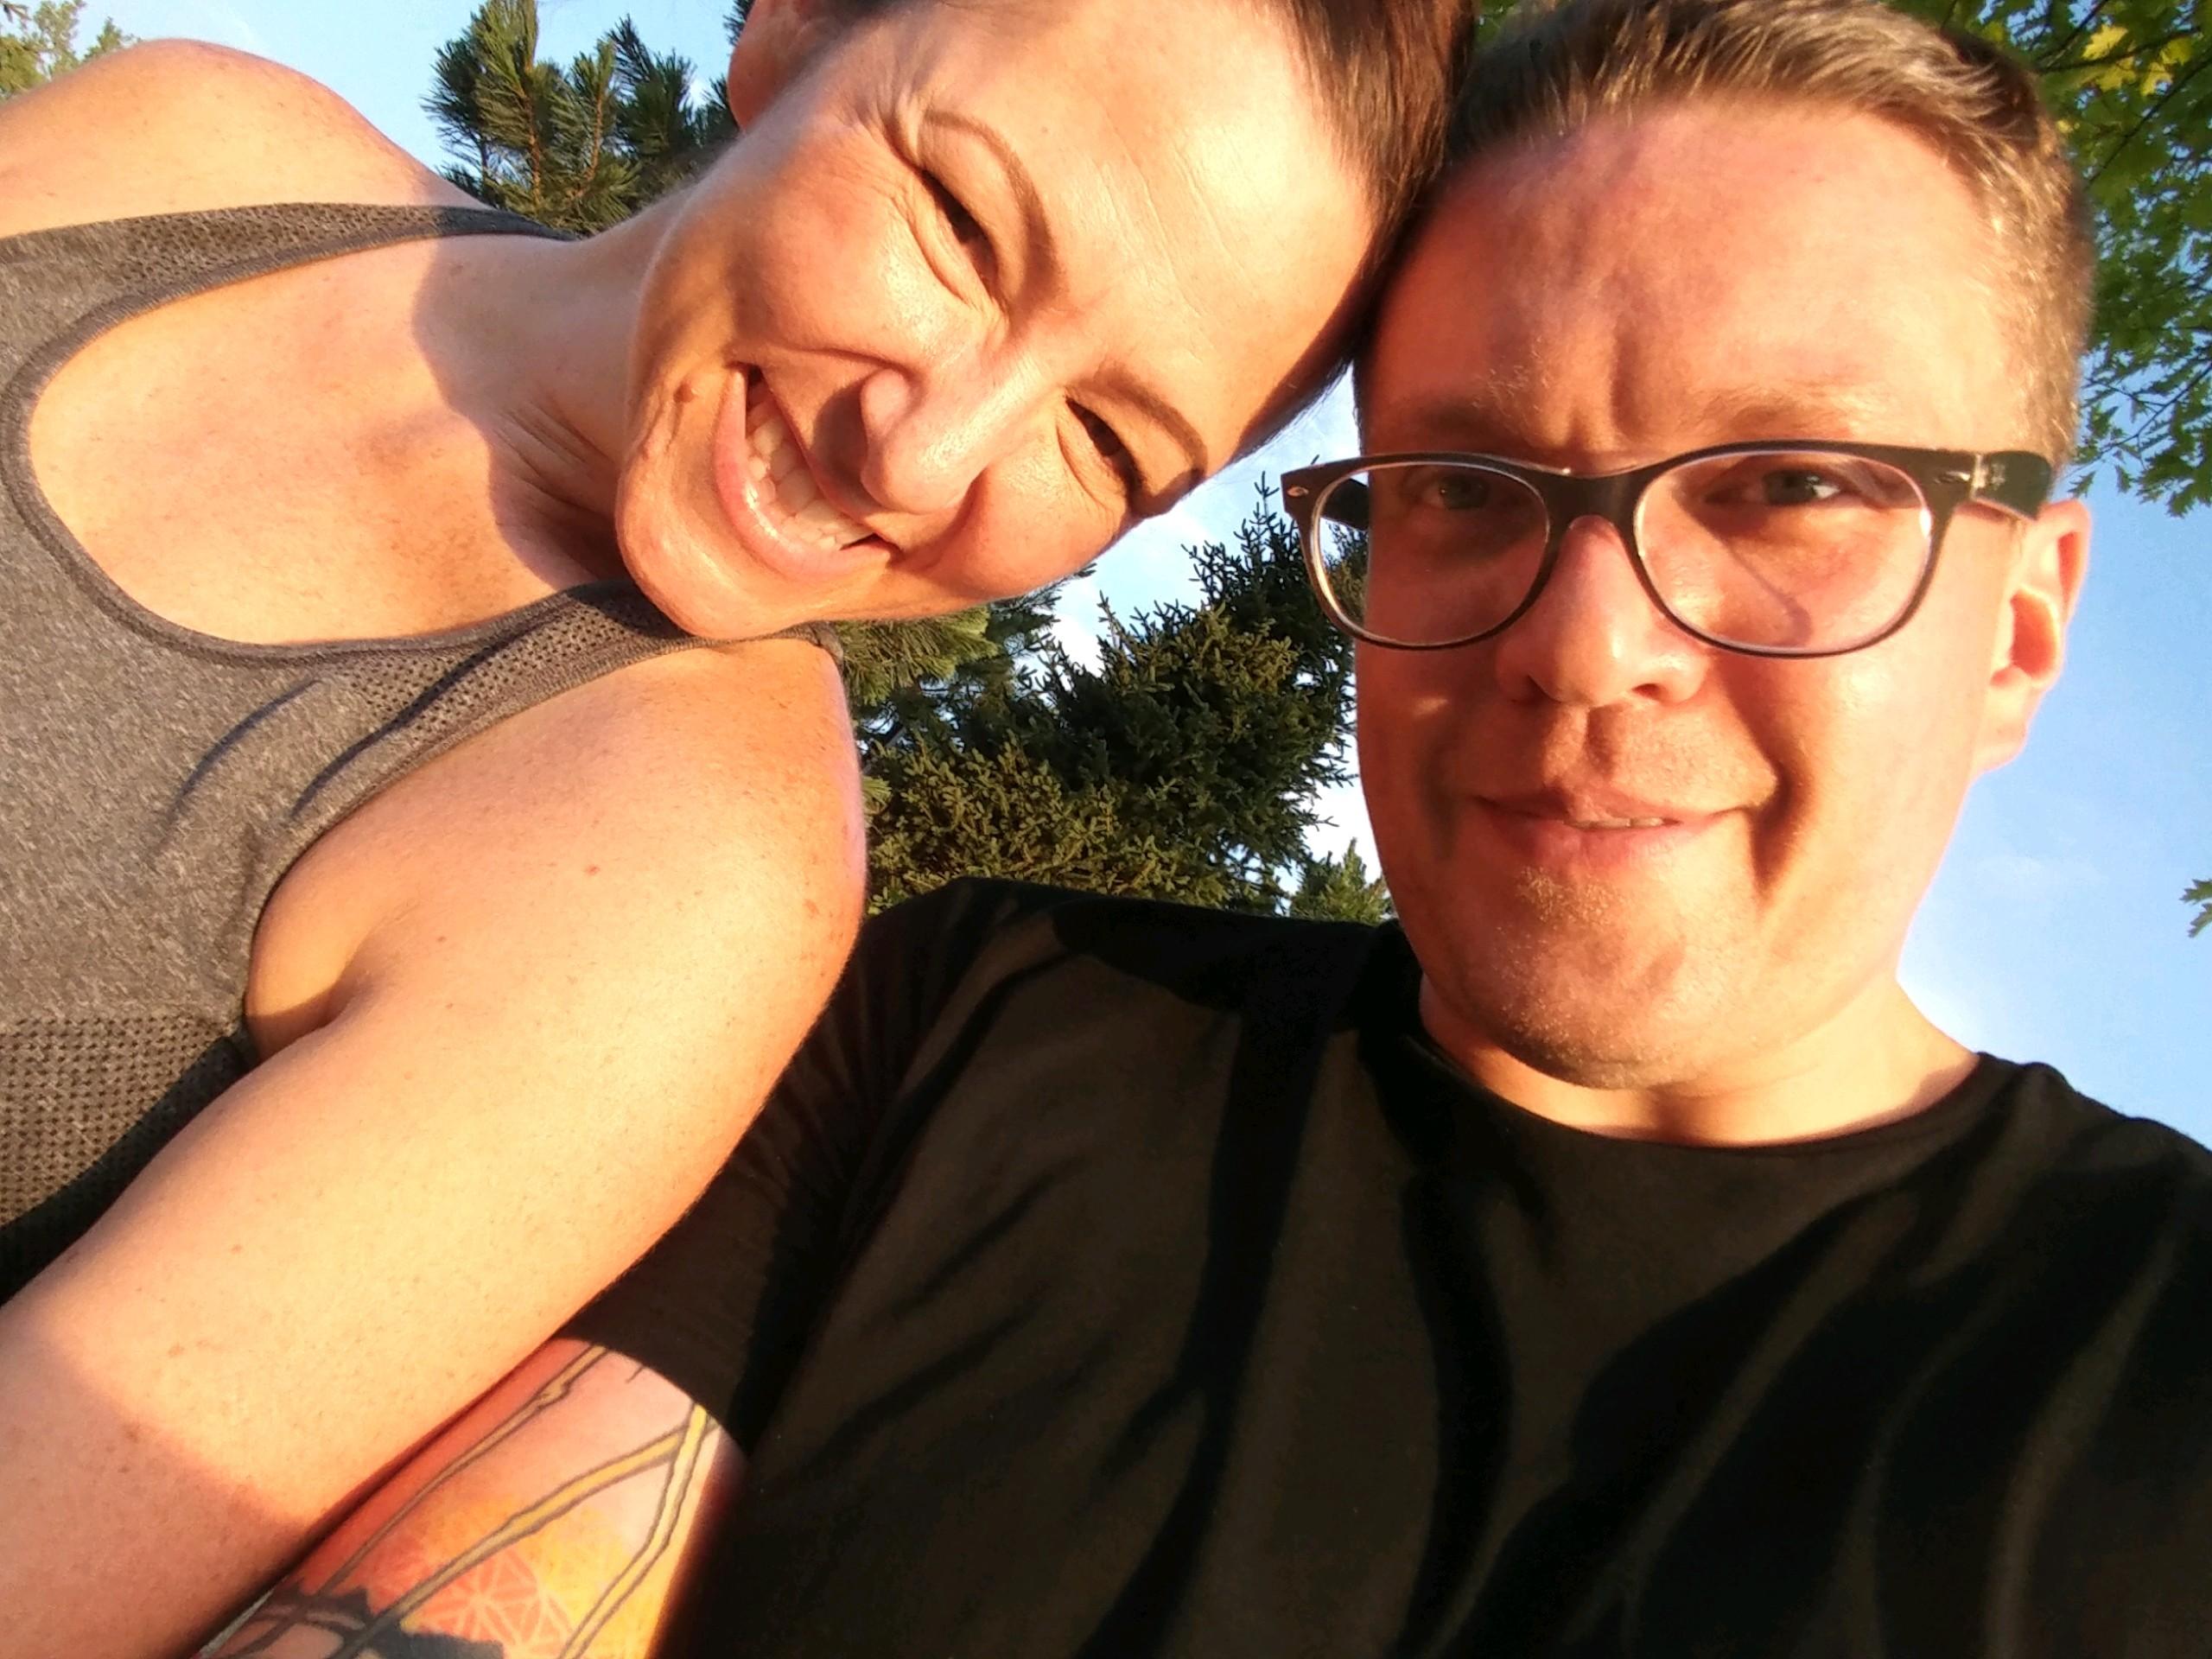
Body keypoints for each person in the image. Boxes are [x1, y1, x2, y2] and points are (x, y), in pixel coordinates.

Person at [202, 0, 2212, 1654]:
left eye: (1787, 487)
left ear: (2020, 627)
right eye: (1461, 485)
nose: (1585, 648)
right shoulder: (962, 1031)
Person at [0, 0, 1473, 1650]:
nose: (922, 458)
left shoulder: (672, 850)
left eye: (1105, 440)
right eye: (962, 225)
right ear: (792, 33)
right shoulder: (191, 145)